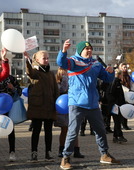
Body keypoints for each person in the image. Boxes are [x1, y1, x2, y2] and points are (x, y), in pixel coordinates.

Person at [57, 39, 119, 170]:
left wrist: (111, 72)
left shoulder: (96, 64)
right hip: (76, 103)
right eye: (86, 49)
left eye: (91, 48)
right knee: (73, 132)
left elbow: (107, 79)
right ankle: (65, 158)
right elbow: (61, 62)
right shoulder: (74, 61)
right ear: (80, 51)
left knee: (101, 131)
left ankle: (104, 155)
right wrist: (63, 51)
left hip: (93, 104)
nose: (89, 50)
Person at [23, 50, 59, 162]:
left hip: (49, 107)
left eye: (48, 58)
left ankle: (48, 152)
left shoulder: (51, 74)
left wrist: (56, 103)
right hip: (37, 107)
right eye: (44, 58)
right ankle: (34, 153)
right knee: (36, 131)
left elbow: (55, 90)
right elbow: (29, 72)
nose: (47, 60)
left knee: (49, 131)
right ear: (37, 60)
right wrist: (27, 61)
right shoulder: (35, 72)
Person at [0, 55, 22, 162]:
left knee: (10, 131)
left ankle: (12, 152)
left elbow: (19, 92)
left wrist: (13, 88)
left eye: (2, 65)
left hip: (10, 108)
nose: (0, 67)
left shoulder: (11, 78)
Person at [54, 67, 84, 158]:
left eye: (66, 71)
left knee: (75, 130)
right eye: (62, 71)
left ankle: (76, 150)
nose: (65, 72)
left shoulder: (73, 80)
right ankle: (61, 149)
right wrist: (65, 80)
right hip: (62, 109)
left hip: (73, 106)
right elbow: (62, 90)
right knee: (64, 130)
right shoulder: (57, 83)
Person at [107, 69, 127, 143]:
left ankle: (115, 137)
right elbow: (111, 94)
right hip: (116, 105)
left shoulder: (117, 82)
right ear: (119, 75)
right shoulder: (115, 82)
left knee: (117, 121)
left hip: (117, 105)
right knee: (118, 121)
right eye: (121, 75)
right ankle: (119, 135)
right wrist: (115, 103)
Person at [118, 63, 132, 130]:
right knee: (121, 110)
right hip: (121, 95)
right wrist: (127, 90)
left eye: (126, 67)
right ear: (120, 68)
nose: (125, 68)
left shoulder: (128, 76)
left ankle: (125, 125)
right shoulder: (119, 76)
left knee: (127, 109)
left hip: (128, 95)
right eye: (123, 67)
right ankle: (120, 125)